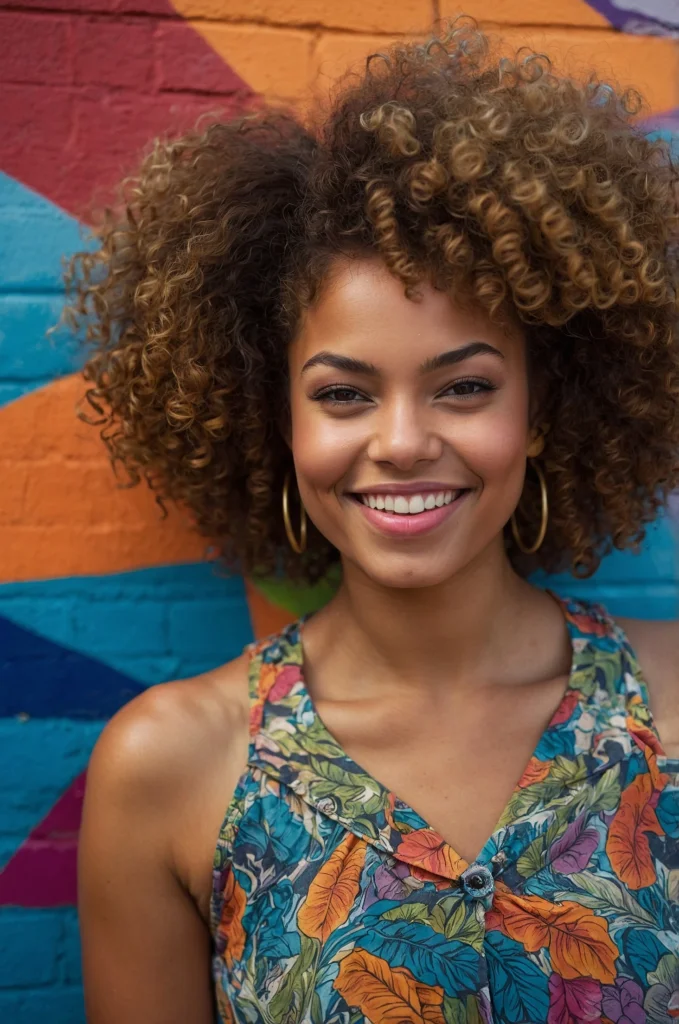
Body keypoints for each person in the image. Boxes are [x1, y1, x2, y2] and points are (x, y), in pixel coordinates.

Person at [68, 19, 679, 1024]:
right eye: (344, 394)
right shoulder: (174, 765)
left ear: (542, 409)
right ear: (278, 420)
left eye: (464, 386)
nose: (400, 442)